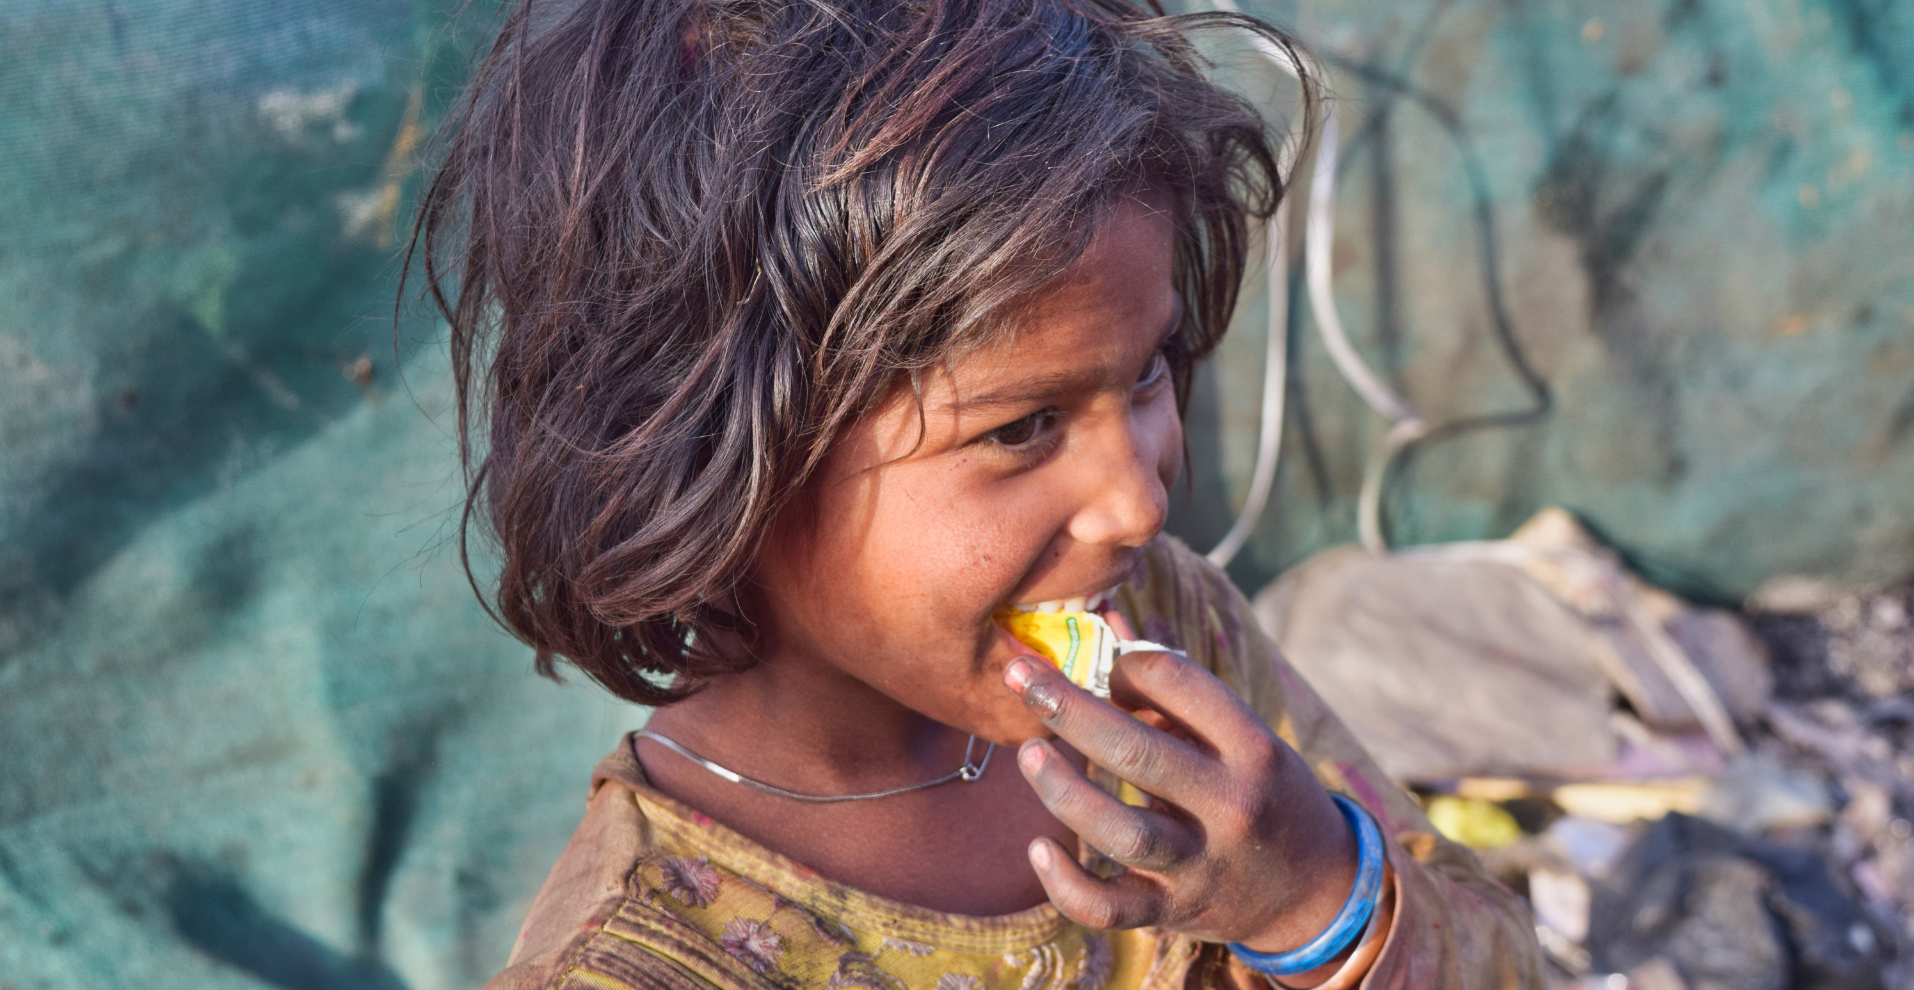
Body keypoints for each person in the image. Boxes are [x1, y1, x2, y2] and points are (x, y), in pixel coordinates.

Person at [413, 1, 1545, 987]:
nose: (1137, 507)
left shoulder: (1168, 636)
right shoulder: (645, 963)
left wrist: (1314, 902)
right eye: (1021, 428)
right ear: (717, 461)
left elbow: (1501, 953)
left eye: (1146, 369)